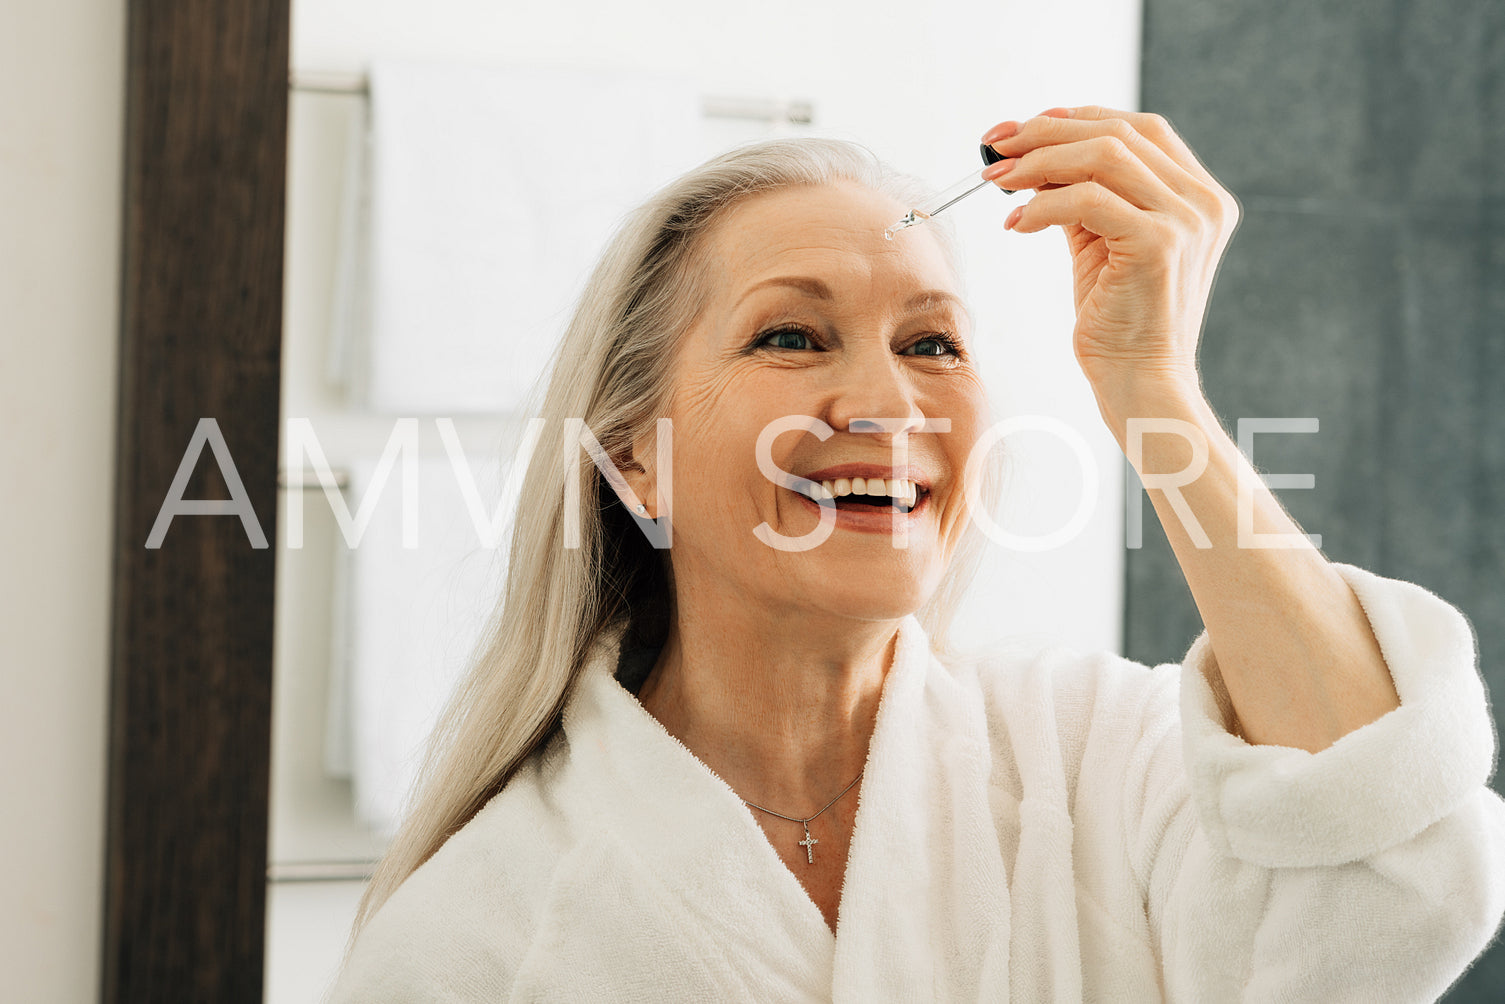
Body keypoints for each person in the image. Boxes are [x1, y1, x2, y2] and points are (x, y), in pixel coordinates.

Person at [329, 107, 1505, 1001]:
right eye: (789, 334)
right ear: (634, 457)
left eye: (931, 342)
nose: (884, 401)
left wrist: (1155, 385)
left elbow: (1390, 882)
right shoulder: (473, 935)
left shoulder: (1093, 754)